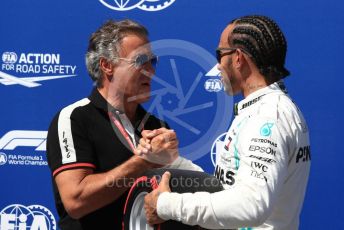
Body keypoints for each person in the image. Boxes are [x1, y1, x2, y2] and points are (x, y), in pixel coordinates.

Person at [144, 15, 311, 229]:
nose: (217, 67)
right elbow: (227, 190)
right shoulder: (264, 108)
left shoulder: (267, 117)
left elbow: (250, 205)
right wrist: (171, 160)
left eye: (220, 54)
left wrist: (167, 205)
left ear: (238, 58)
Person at [46, 19, 201, 230]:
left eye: (152, 62)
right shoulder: (74, 118)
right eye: (140, 61)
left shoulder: (155, 124)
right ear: (107, 66)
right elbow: (76, 201)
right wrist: (143, 161)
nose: (151, 71)